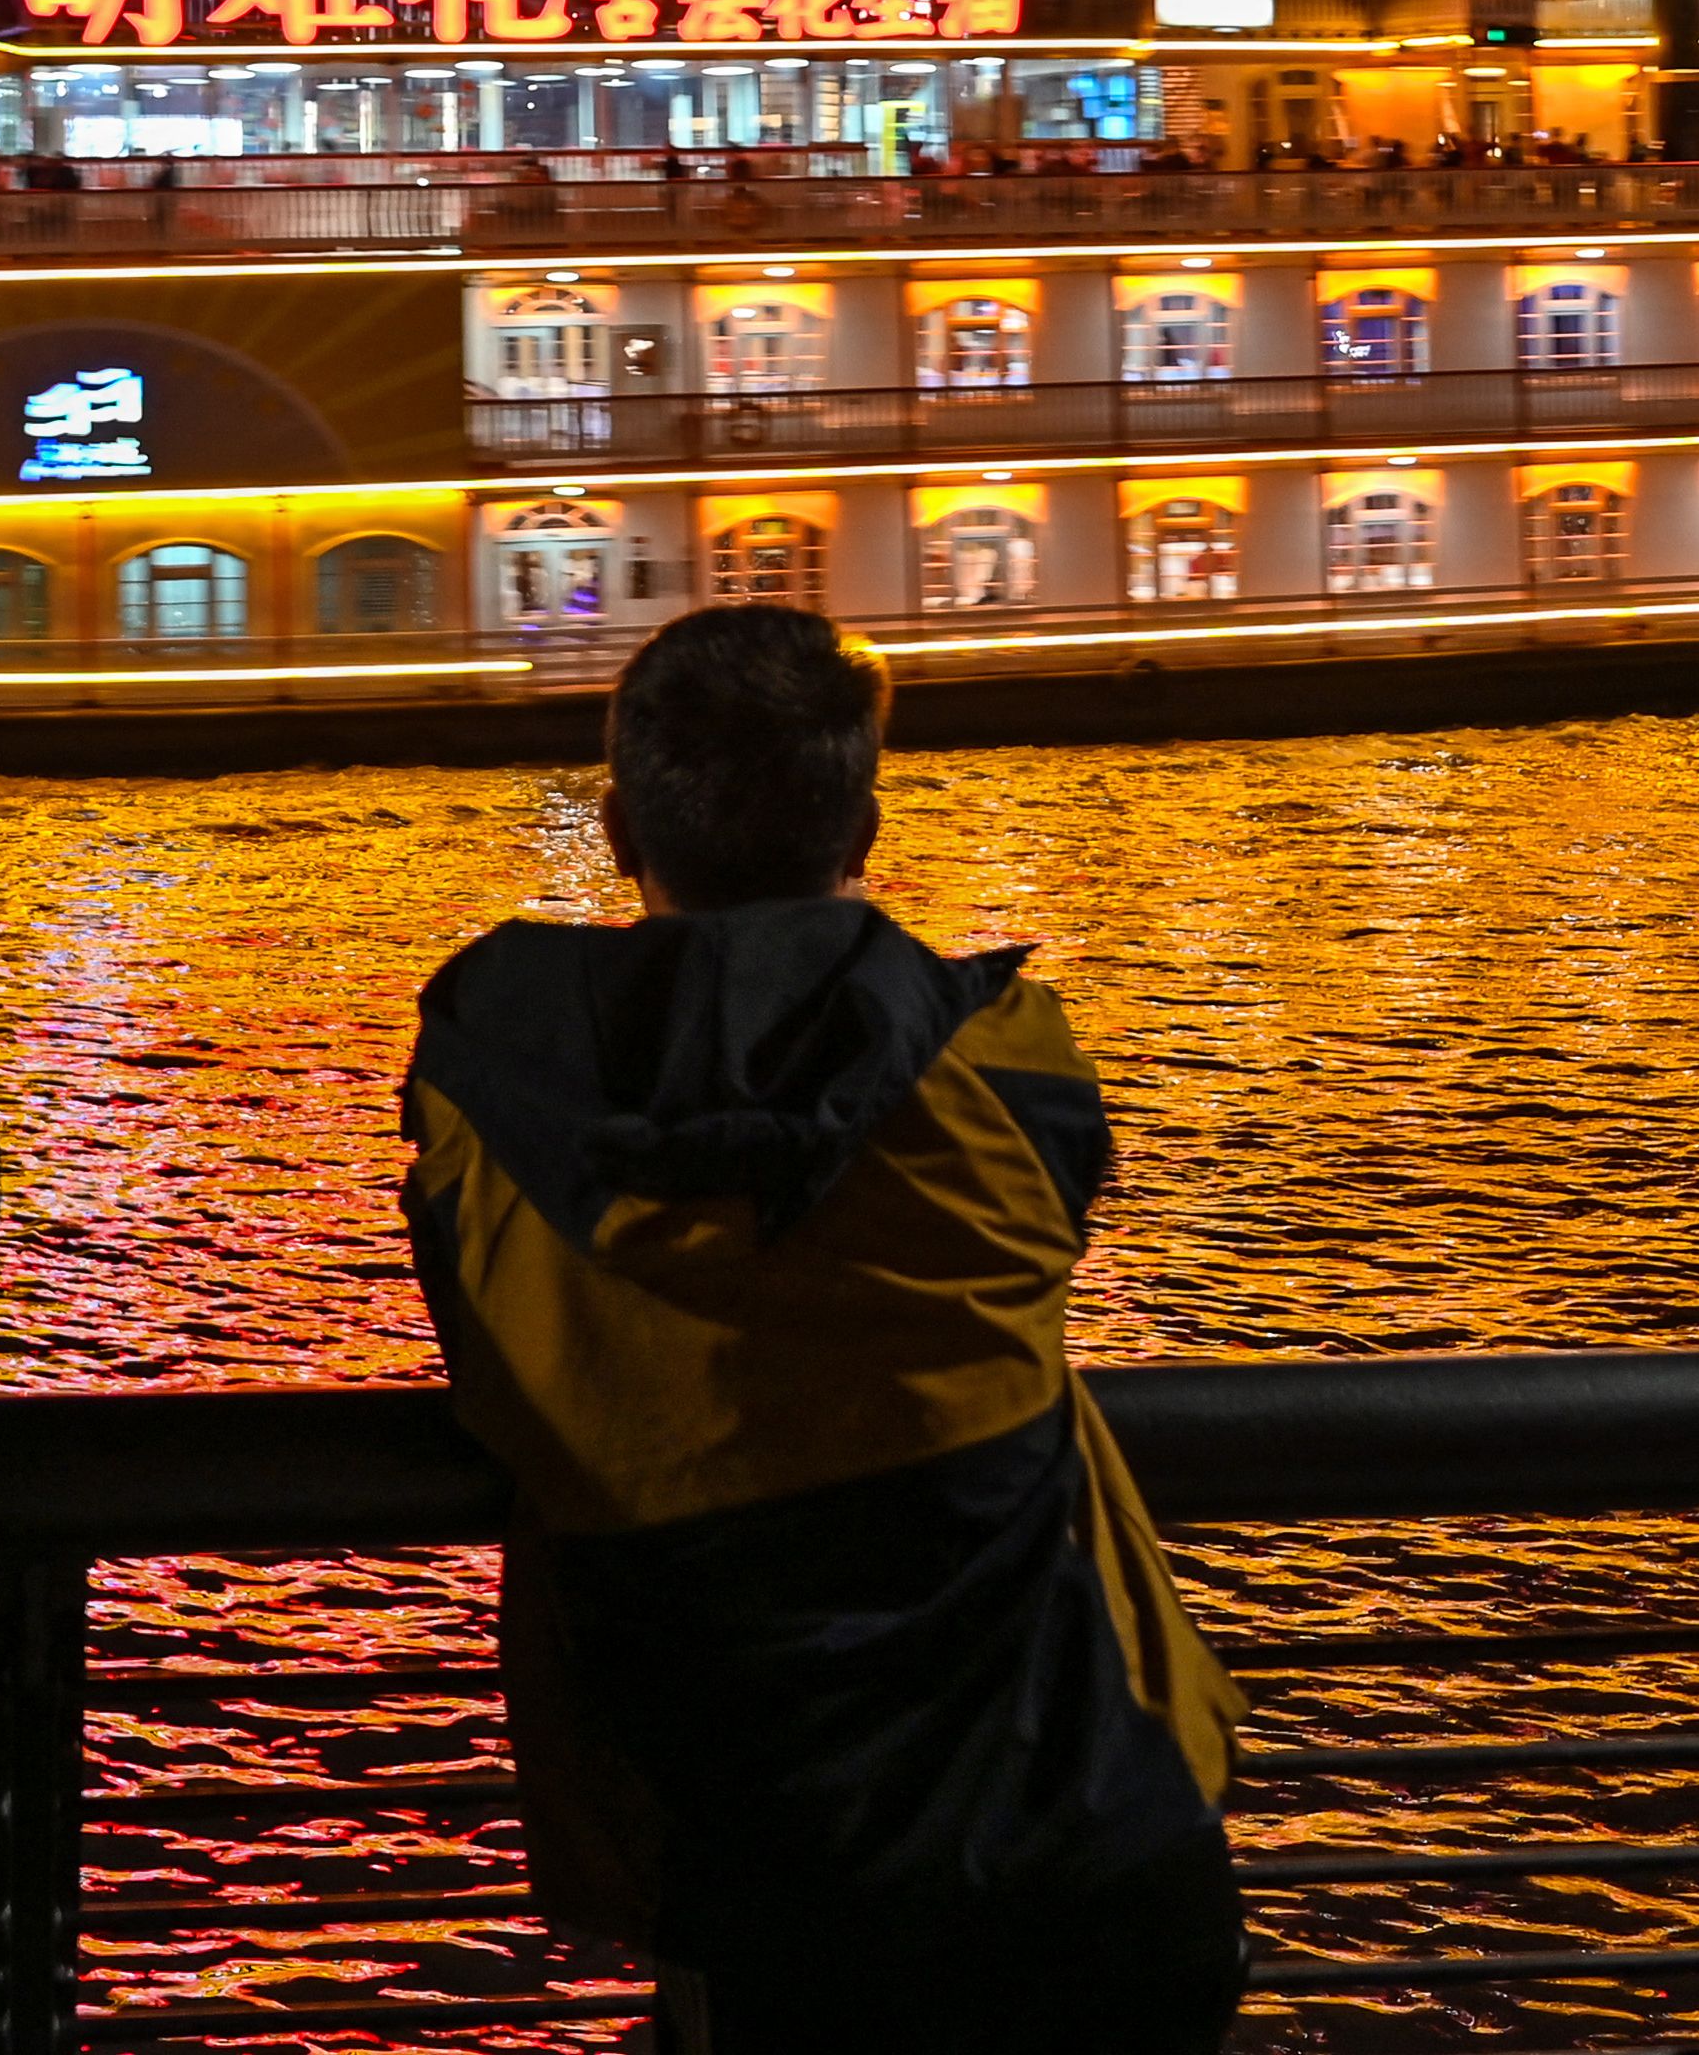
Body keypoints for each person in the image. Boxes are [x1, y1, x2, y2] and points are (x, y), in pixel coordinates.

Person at [394, 603, 1241, 2051]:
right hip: (1089, 1827)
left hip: (766, 1869)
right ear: (859, 824)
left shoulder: (487, 1090)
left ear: (615, 830)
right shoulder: (1001, 1067)